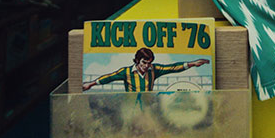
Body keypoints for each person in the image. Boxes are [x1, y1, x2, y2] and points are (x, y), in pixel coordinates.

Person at [81, 47, 210, 92]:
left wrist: (192, 64)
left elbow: (172, 68)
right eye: (144, 62)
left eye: (149, 63)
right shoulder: (126, 72)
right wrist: (90, 84)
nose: (146, 66)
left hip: (148, 105)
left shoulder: (154, 70)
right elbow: (109, 77)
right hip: (131, 107)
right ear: (137, 61)